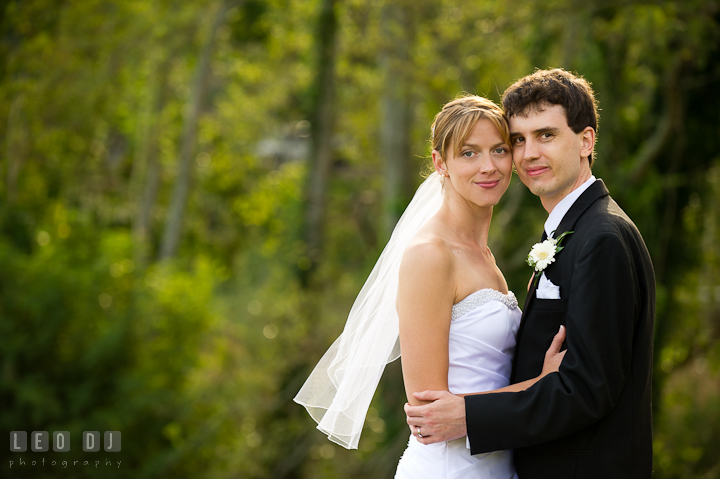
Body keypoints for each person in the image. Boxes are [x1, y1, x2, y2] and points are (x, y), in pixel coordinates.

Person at [295, 95, 566, 478]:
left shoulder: (483, 257)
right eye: (469, 153)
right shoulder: (430, 255)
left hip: (500, 464)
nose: (488, 167)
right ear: (441, 163)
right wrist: (541, 386)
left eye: (499, 150)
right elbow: (429, 414)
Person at [405, 69, 656, 479]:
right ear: (440, 164)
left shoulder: (601, 237)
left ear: (586, 141)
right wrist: (535, 384)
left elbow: (589, 388)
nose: (528, 154)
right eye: (518, 140)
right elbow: (428, 406)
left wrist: (470, 415)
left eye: (546, 135)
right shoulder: (568, 232)